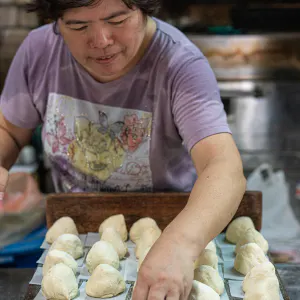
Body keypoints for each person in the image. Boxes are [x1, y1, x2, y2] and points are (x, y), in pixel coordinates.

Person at [0, 0, 246, 298]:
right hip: (76, 227)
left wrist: (182, 244)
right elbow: (9, 131)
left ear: (144, 9)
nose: (101, 41)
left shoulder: (180, 65)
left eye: (117, 20)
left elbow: (223, 166)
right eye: (79, 26)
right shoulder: (40, 51)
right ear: (56, 21)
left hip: (171, 229)